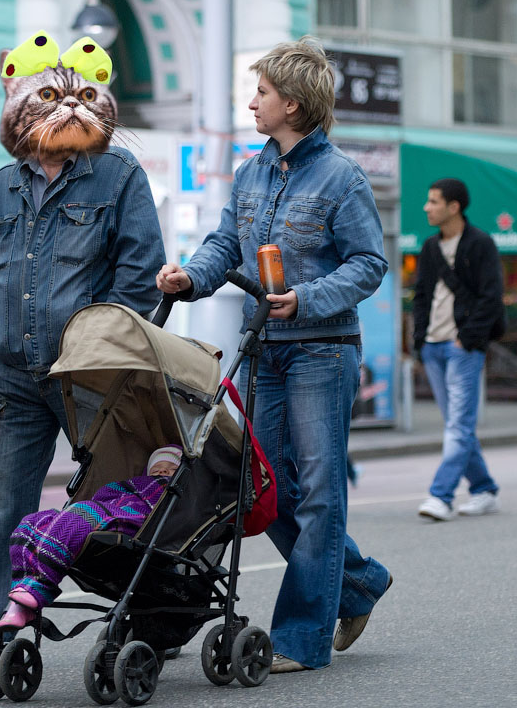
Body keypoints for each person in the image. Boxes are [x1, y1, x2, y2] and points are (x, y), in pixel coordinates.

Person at [0, 31, 165, 678]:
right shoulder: (4, 185)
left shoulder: (119, 177)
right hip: (13, 378)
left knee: (121, 504)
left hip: (90, 379)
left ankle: (149, 623)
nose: (65, 109)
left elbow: (138, 274)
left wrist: (104, 350)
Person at [155, 37, 392, 673]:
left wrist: (307, 297)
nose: (251, 102)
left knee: (317, 492)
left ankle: (300, 638)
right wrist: (191, 279)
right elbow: (224, 242)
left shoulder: (341, 177)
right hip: (267, 347)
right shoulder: (252, 171)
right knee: (260, 486)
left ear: (293, 102)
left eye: (261, 92)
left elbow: (370, 263)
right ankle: (359, 582)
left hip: (321, 348)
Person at [0, 445, 183, 629]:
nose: (163, 471)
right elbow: (104, 496)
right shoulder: (133, 484)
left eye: (172, 468)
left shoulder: (173, 491)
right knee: (33, 522)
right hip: (110, 508)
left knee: (81, 515)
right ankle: (23, 593)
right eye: (156, 469)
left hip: (133, 519)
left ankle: (37, 588)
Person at [412, 178, 505, 521]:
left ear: (454, 207)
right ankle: (484, 489)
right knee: (457, 424)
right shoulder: (430, 247)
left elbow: (491, 297)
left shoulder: (481, 244)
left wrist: (467, 338)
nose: (427, 207)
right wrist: (419, 340)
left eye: (433, 201)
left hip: (462, 348)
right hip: (434, 347)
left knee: (458, 426)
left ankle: (441, 495)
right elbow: (421, 296)